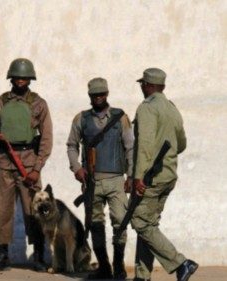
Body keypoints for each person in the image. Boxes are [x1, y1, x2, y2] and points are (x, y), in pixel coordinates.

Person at [0, 58, 53, 272]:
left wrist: (37, 168)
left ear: (30, 79)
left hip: (29, 164)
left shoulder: (39, 104)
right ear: (11, 78)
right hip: (5, 162)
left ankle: (39, 255)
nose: (21, 81)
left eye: (25, 77)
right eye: (17, 77)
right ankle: (2, 256)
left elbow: (47, 139)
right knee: (3, 211)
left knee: (35, 211)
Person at [131, 68, 198, 281]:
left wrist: (138, 177)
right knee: (149, 224)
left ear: (148, 85)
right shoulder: (172, 109)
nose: (141, 87)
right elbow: (182, 144)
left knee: (140, 222)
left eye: (142, 84)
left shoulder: (147, 109)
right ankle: (142, 276)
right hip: (168, 175)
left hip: (152, 177)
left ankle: (181, 263)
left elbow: (145, 145)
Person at [66, 77, 133, 279]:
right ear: (90, 96)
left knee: (120, 221)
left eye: (102, 94)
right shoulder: (81, 119)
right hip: (92, 182)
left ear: (107, 94)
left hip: (115, 180)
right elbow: (71, 145)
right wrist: (77, 168)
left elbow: (130, 147)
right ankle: (104, 266)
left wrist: (130, 175)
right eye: (95, 95)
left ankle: (118, 264)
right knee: (95, 223)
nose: (99, 97)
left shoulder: (120, 118)